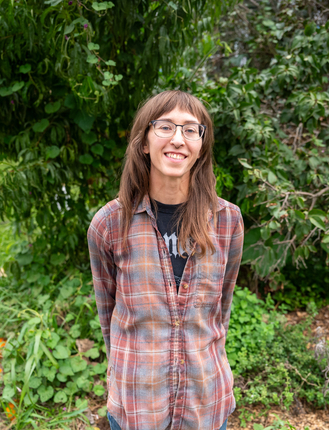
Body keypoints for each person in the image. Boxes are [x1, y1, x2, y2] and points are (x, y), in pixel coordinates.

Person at [87, 90, 244, 430]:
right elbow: (108, 316)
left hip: (206, 405)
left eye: (191, 129)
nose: (178, 139)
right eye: (165, 127)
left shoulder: (228, 221)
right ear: (144, 142)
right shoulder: (110, 224)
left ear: (201, 146)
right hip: (137, 407)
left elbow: (221, 310)